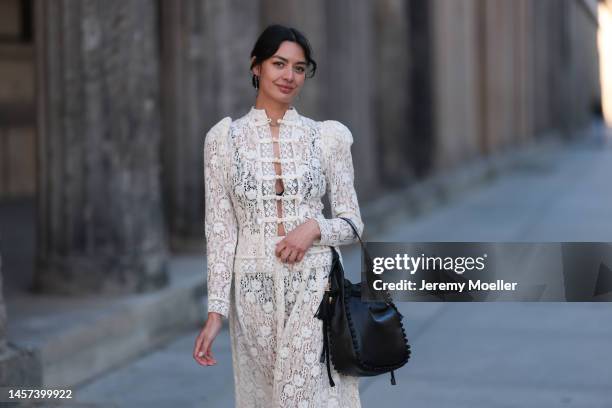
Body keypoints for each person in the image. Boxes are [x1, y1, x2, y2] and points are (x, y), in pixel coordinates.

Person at [193, 24, 364, 407]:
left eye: (300, 68)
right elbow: (220, 231)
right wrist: (216, 311)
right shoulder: (223, 141)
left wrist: (314, 228)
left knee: (298, 397)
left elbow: (353, 223)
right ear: (257, 67)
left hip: (316, 286)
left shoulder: (327, 138)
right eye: (279, 63)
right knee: (270, 398)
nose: (289, 76)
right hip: (253, 292)